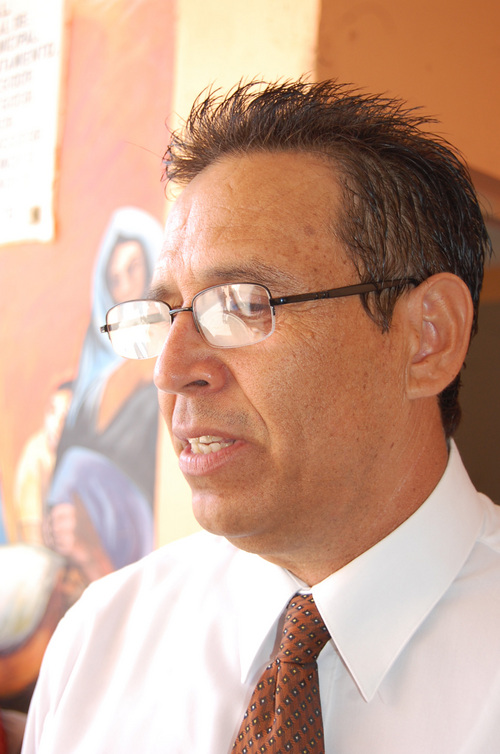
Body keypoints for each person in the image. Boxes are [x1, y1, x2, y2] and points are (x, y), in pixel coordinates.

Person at [21, 80, 500, 753]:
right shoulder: (100, 640)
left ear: (428, 338)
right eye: (164, 315)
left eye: (243, 304)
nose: (170, 370)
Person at [44, 207, 162, 585]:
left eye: (133, 269)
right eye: (114, 278)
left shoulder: (167, 363)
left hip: (136, 532)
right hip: (74, 527)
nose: (125, 287)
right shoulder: (95, 365)